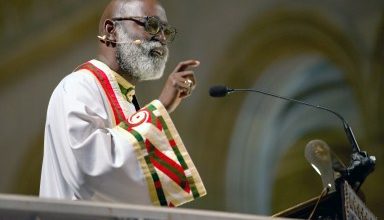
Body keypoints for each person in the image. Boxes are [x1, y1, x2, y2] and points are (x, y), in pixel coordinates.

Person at [39, 0, 206, 207]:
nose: (162, 38)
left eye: (166, 31)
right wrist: (160, 107)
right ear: (111, 31)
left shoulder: (126, 98)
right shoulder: (77, 86)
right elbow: (90, 173)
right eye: (151, 25)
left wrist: (160, 110)